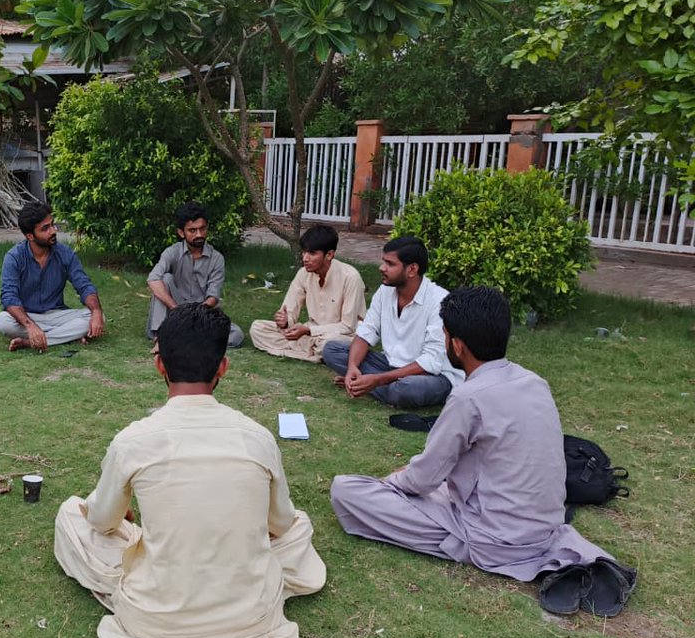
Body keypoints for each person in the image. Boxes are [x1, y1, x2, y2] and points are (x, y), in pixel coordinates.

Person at [54, 303, 327, 638]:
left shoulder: (133, 440)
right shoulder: (258, 438)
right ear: (222, 369)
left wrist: (126, 517)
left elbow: (100, 521)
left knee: (71, 514)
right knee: (300, 526)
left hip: (155, 619)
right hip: (250, 613)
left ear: (160, 366)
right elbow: (281, 525)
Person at [330, 286, 627, 586]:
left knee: (345, 490)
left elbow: (421, 480)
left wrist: (389, 482)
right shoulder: (535, 382)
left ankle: (461, 541)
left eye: (445, 336)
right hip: (545, 525)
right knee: (439, 487)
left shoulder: (467, 398)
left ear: (457, 345)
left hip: (494, 538)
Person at [322, 236, 462, 408]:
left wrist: (378, 379)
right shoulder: (384, 291)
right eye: (383, 262)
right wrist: (352, 367)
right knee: (332, 350)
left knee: (406, 390)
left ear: (412, 269)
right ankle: (367, 382)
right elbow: (367, 332)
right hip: (389, 366)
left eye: (390, 264)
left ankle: (372, 385)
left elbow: (432, 361)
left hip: (432, 376)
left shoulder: (440, 300)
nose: (382, 268)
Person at [249, 224, 367, 362]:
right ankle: (313, 353)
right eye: (304, 252)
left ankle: (310, 351)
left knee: (329, 344)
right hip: (310, 334)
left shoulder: (350, 277)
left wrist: (308, 331)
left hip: (341, 335)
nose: (305, 258)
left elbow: (347, 326)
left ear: (329, 255)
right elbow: (289, 312)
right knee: (257, 328)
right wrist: (285, 321)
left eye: (312, 253)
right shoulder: (303, 273)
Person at [0, 201, 105, 351]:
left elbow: (84, 285)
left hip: (57, 315)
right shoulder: (14, 257)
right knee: (2, 321)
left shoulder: (65, 253)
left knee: (95, 316)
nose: (53, 231)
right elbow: (9, 297)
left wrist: (97, 312)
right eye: (45, 228)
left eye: (53, 225)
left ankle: (31, 342)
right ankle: (66, 335)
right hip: (27, 315)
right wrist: (30, 325)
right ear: (30, 236)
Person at [145, 202, 243, 347]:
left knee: (236, 335)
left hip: (202, 313)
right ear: (181, 232)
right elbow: (152, 279)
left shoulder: (217, 258)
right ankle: (161, 334)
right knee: (164, 279)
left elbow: (212, 298)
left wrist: (194, 317)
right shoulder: (172, 252)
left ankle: (181, 337)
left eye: (202, 229)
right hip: (175, 311)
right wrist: (176, 310)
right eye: (192, 230)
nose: (199, 235)